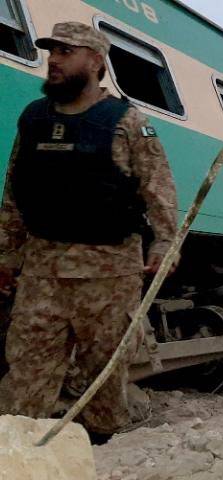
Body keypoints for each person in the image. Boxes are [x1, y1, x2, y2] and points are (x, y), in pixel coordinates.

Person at [0, 22, 178, 438]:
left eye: (66, 52)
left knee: (104, 377)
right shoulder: (33, 119)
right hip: (42, 273)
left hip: (110, 275)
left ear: (95, 61)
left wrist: (166, 243)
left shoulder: (129, 122)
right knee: (26, 371)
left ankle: (100, 447)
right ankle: (18, 451)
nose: (53, 60)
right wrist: (6, 255)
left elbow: (159, 188)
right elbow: (14, 193)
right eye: (52, 52)